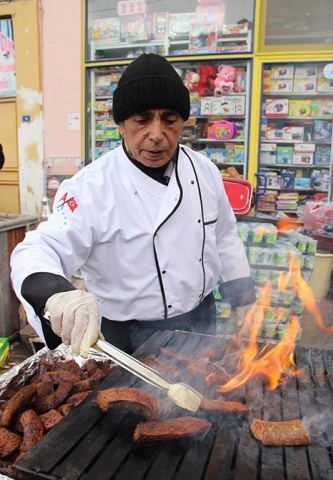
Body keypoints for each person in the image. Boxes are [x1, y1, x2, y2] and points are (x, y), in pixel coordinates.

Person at [10, 53, 256, 358]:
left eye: (169, 120)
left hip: (200, 323)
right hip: (126, 337)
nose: (156, 135)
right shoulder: (90, 187)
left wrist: (244, 299)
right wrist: (57, 296)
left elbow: (224, 236)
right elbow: (38, 249)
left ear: (183, 122)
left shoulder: (204, 171)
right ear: (121, 125)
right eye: (141, 120)